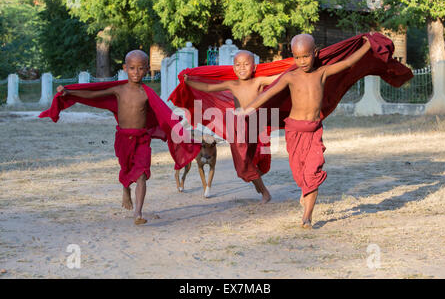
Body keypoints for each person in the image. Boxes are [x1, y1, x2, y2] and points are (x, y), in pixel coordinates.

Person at [240, 34, 373, 228]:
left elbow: (347, 63)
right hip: (294, 131)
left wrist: (368, 45)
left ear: (315, 53)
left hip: (314, 131)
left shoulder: (323, 72)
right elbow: (268, 94)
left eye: (306, 56)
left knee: (313, 172)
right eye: (297, 57)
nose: (302, 61)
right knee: (299, 174)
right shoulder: (290, 77)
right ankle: (305, 192)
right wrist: (246, 110)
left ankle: (307, 217)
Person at [55, 50, 194, 225]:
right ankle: (126, 189)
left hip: (142, 138)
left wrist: (179, 129)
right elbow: (92, 94)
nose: (136, 72)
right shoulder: (118, 90)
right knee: (126, 168)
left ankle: (138, 213)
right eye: (132, 68)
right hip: (123, 138)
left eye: (141, 68)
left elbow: (163, 113)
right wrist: (69, 92)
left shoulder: (147, 93)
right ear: (125, 68)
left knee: (142, 174)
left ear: (147, 69)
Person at [184, 50, 280, 204]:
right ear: (234, 68)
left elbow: (280, 79)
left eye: (246, 64)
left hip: (256, 124)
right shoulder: (232, 84)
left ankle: (261, 186)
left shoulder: (259, 81)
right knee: (243, 164)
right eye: (238, 65)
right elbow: (208, 88)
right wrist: (189, 82)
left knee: (255, 161)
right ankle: (262, 189)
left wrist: (297, 70)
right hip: (238, 127)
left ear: (254, 67)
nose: (242, 67)